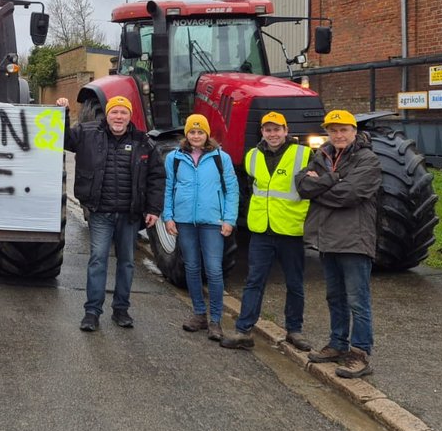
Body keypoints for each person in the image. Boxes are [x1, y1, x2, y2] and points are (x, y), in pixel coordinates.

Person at [63, 96, 164, 331]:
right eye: (114, 112)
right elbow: (64, 139)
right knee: (98, 260)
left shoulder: (143, 142)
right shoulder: (88, 134)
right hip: (101, 213)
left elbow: (156, 177)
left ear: (130, 117)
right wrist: (64, 114)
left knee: (127, 263)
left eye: (123, 113)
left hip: (129, 215)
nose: (118, 117)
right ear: (107, 115)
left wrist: (153, 209)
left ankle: (121, 309)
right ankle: (92, 312)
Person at [295, 110, 382, 379]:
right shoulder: (322, 155)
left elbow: (351, 194)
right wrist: (332, 180)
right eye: (333, 130)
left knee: (358, 300)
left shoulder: (367, 159)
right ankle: (337, 343)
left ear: (354, 131)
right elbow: (301, 185)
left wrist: (320, 187)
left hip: (354, 239)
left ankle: (360, 353)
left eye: (343, 129)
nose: (338, 135)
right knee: (335, 297)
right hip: (327, 239)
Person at [220, 112, 313, 351]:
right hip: (262, 230)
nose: (272, 134)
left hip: (290, 230)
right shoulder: (252, 156)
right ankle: (243, 331)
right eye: (268, 130)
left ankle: (294, 330)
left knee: (294, 283)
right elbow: (252, 188)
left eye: (277, 129)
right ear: (262, 132)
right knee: (254, 281)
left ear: (286, 130)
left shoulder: (304, 154)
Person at [162, 114, 239, 342]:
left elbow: (232, 190)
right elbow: (169, 188)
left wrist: (229, 220)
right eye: (192, 132)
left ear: (207, 135)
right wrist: (168, 217)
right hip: (185, 221)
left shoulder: (220, 158)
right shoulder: (174, 158)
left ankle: (215, 319)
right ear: (187, 134)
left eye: (200, 132)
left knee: (214, 270)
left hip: (212, 222)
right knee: (192, 267)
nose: (196, 136)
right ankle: (198, 314)